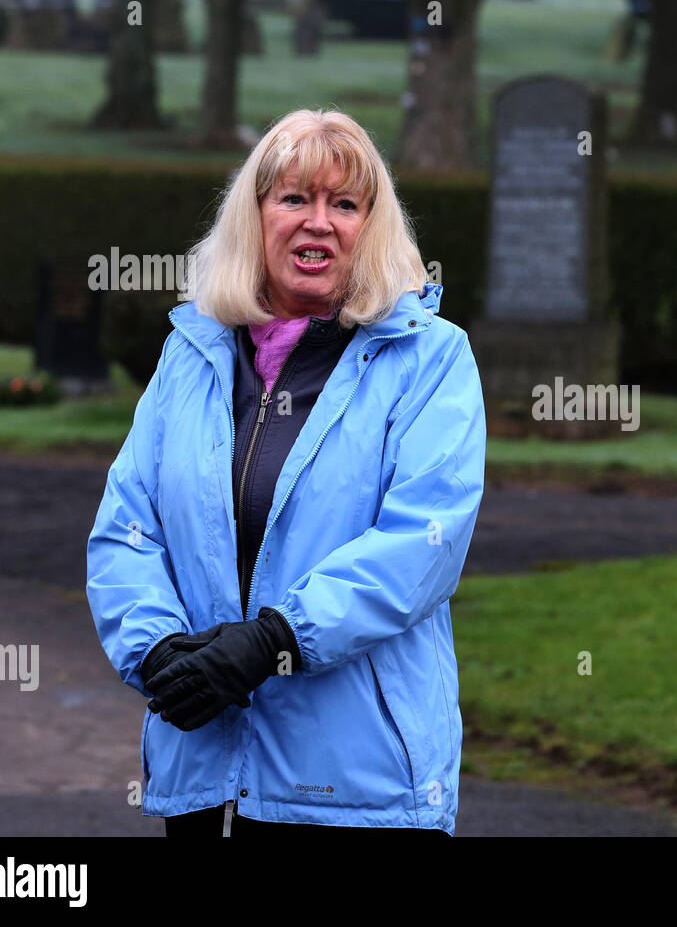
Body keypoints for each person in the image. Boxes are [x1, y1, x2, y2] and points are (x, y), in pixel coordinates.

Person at [85, 109, 485, 836]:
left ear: (373, 225)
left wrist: (276, 640)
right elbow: (127, 529)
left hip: (357, 788)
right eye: (294, 199)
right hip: (201, 772)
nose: (319, 223)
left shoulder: (430, 360)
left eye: (345, 204)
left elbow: (423, 543)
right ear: (256, 215)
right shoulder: (192, 355)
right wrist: (158, 651)